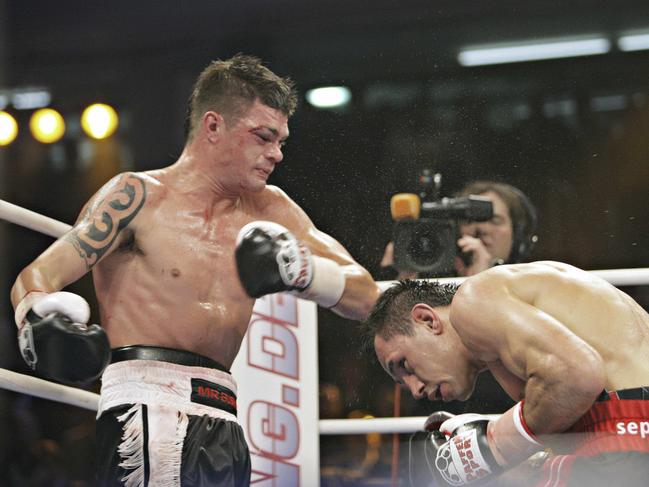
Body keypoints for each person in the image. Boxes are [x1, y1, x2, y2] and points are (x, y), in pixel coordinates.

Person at [10, 54, 381, 487]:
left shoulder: (273, 210)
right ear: (212, 126)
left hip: (224, 415)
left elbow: (368, 297)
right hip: (145, 405)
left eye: (280, 140)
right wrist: (38, 318)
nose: (276, 154)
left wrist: (305, 271)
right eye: (263, 137)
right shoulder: (136, 196)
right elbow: (36, 278)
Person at [362, 261, 649, 486]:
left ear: (427, 320)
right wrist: (503, 458)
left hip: (624, 441)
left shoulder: (472, 301)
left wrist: (497, 444)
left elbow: (577, 375)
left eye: (404, 365)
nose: (414, 389)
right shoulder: (519, 307)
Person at [381, 180, 538, 278]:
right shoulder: (429, 280)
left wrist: (482, 282)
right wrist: (401, 279)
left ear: (518, 235)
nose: (482, 228)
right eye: (469, 220)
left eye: (495, 221)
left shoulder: (535, 285)